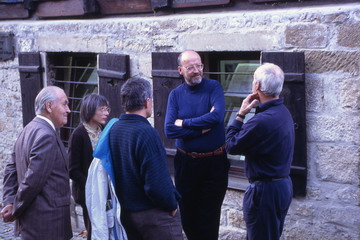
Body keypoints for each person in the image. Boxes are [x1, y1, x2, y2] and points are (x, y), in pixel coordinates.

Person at [165, 50, 230, 240]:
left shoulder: (213, 87)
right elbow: (169, 130)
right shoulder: (175, 95)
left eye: (199, 66)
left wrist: (185, 123)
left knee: (209, 220)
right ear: (180, 70)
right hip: (186, 164)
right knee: (188, 218)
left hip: (214, 163)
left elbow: (217, 117)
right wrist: (202, 128)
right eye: (190, 67)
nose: (196, 71)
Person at [225, 63, 294, 240]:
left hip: (265, 192)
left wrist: (240, 114)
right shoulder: (283, 112)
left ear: (257, 86)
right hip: (281, 186)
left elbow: (231, 145)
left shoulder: (262, 121)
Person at [109, 78, 183, 240]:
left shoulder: (115, 129)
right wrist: (171, 205)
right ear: (147, 101)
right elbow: (156, 183)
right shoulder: (146, 132)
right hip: (153, 216)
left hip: (128, 214)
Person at [1, 86, 73, 240]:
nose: (68, 110)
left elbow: (10, 170)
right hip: (48, 226)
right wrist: (14, 208)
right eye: (64, 104)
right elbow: (32, 181)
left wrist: (9, 201)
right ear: (49, 106)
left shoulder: (28, 129)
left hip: (36, 226)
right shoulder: (46, 135)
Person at [68, 93, 110, 239]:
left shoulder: (103, 130)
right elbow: (73, 170)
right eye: (102, 109)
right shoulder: (79, 134)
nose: (106, 113)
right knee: (93, 228)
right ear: (90, 110)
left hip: (105, 188)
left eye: (107, 109)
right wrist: (92, 184)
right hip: (89, 191)